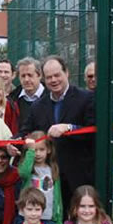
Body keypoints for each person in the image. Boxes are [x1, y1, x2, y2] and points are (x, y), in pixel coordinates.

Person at [17, 55, 95, 212]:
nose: (53, 80)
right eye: (49, 77)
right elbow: (26, 132)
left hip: (78, 175)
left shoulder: (86, 98)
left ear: (67, 73)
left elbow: (93, 130)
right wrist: (15, 143)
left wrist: (69, 128)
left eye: (57, 75)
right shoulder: (38, 106)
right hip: (48, 176)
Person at [19, 132, 63, 224]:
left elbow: (58, 199)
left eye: (41, 149)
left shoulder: (53, 170)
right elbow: (23, 173)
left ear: (49, 150)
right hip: (28, 218)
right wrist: (30, 150)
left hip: (48, 219)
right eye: (35, 150)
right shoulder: (28, 169)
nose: (37, 153)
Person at [9, 57, 47, 129]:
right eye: (23, 76)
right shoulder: (12, 100)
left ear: (39, 75)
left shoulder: (52, 97)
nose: (26, 79)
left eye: (30, 75)